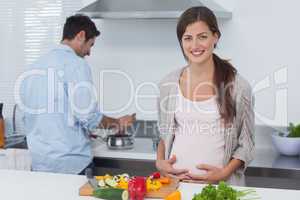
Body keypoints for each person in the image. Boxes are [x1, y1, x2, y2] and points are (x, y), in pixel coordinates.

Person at [21, 14, 135, 174]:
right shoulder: (76, 65)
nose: (89, 52)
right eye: (91, 45)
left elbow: (30, 118)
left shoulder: (32, 68)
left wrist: (78, 130)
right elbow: (89, 117)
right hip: (71, 165)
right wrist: (117, 123)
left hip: (40, 164)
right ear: (81, 35)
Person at [156, 6, 255, 186]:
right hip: (177, 187)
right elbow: (164, 134)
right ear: (181, 42)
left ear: (215, 37)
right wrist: (160, 161)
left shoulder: (239, 87)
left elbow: (246, 145)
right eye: (188, 38)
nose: (195, 46)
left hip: (220, 189)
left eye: (202, 37)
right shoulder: (167, 84)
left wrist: (223, 174)